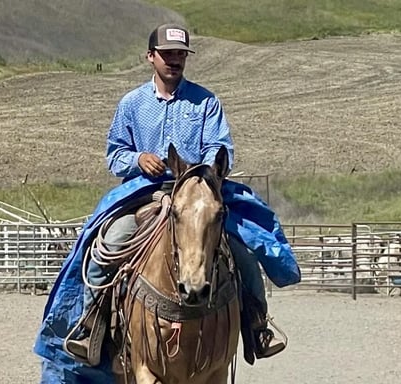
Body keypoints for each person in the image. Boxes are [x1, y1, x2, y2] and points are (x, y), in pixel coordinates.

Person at [64, 23, 287, 366]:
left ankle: (257, 325)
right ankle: (91, 325)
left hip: (197, 192)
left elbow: (219, 145)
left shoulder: (205, 102)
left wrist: (203, 172)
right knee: (107, 245)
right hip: (146, 192)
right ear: (150, 57)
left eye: (180, 55)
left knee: (243, 248)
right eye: (167, 55)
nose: (174, 61)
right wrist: (138, 158)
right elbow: (114, 153)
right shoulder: (132, 104)